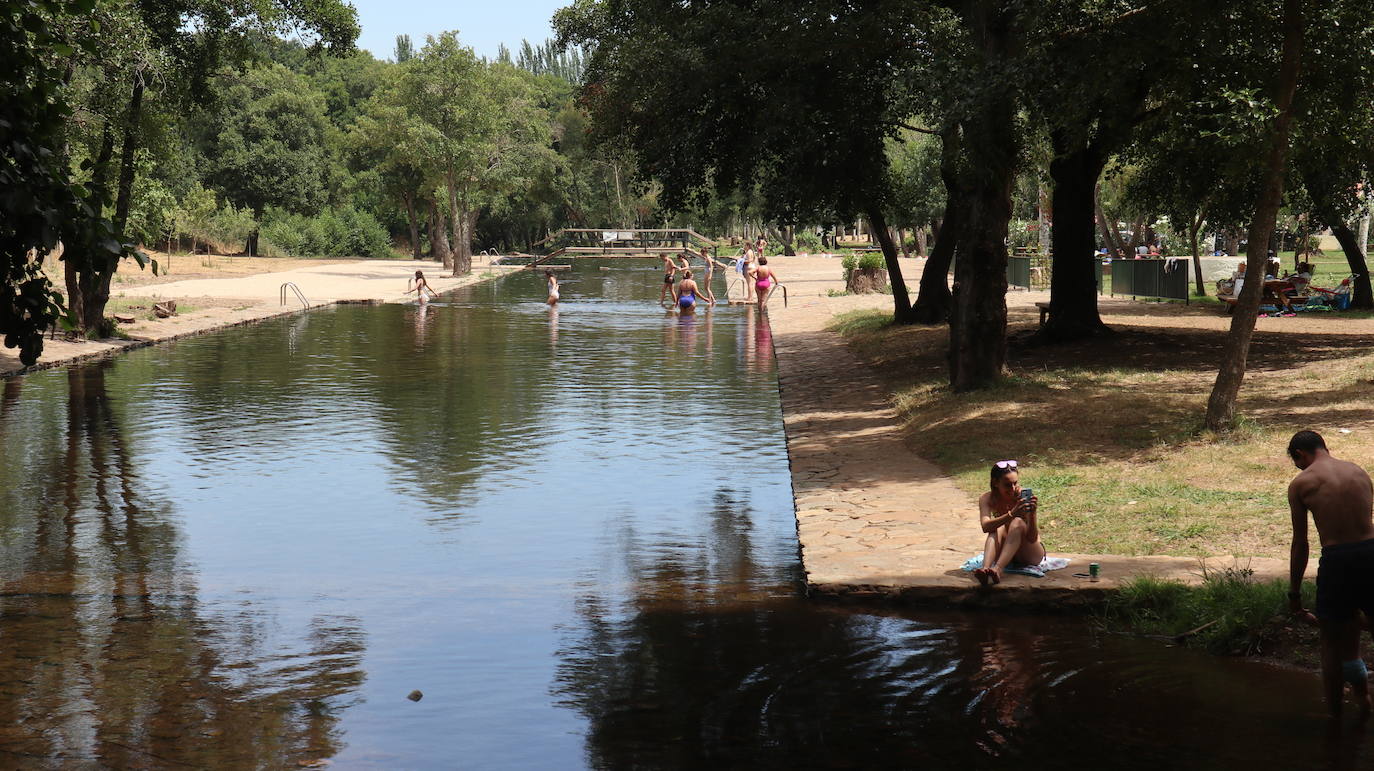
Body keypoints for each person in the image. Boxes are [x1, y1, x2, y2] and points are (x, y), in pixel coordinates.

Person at [1287, 430, 1374, 718]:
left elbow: (1301, 543)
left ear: (1299, 455)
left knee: (1332, 642)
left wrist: (1295, 593)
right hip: (1371, 552)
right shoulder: (1358, 471)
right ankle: (1362, 700)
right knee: (1357, 637)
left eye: (1297, 462)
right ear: (1324, 447)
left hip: (1338, 561)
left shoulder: (1302, 483)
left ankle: (1335, 717)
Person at [973, 460, 1045, 587]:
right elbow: (985, 526)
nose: (1012, 489)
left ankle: (998, 569)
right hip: (1007, 553)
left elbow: (1032, 538)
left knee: (1017, 522)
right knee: (996, 526)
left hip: (1030, 554)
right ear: (995, 483)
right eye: (1007, 485)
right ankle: (985, 569)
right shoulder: (987, 498)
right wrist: (1011, 513)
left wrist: (1032, 515)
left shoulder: (1023, 498)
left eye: (1015, 483)